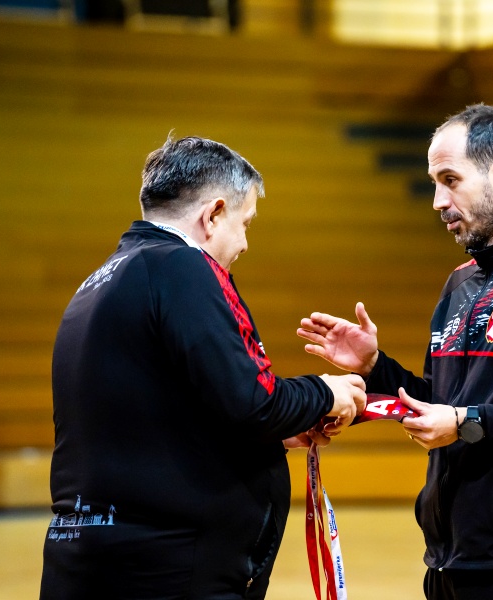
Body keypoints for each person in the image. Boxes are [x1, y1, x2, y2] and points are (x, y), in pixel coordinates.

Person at [298, 104, 493, 600]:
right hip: (451, 560)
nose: (438, 201)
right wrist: (375, 368)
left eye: (450, 180)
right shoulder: (459, 284)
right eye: (433, 183)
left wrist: (468, 421)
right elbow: (442, 405)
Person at [40, 135, 366, 600]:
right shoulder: (181, 266)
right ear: (213, 215)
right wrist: (326, 392)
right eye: (245, 223)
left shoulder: (104, 279)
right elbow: (254, 402)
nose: (245, 244)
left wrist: (271, 434)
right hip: (164, 571)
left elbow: (155, 422)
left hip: (104, 559)